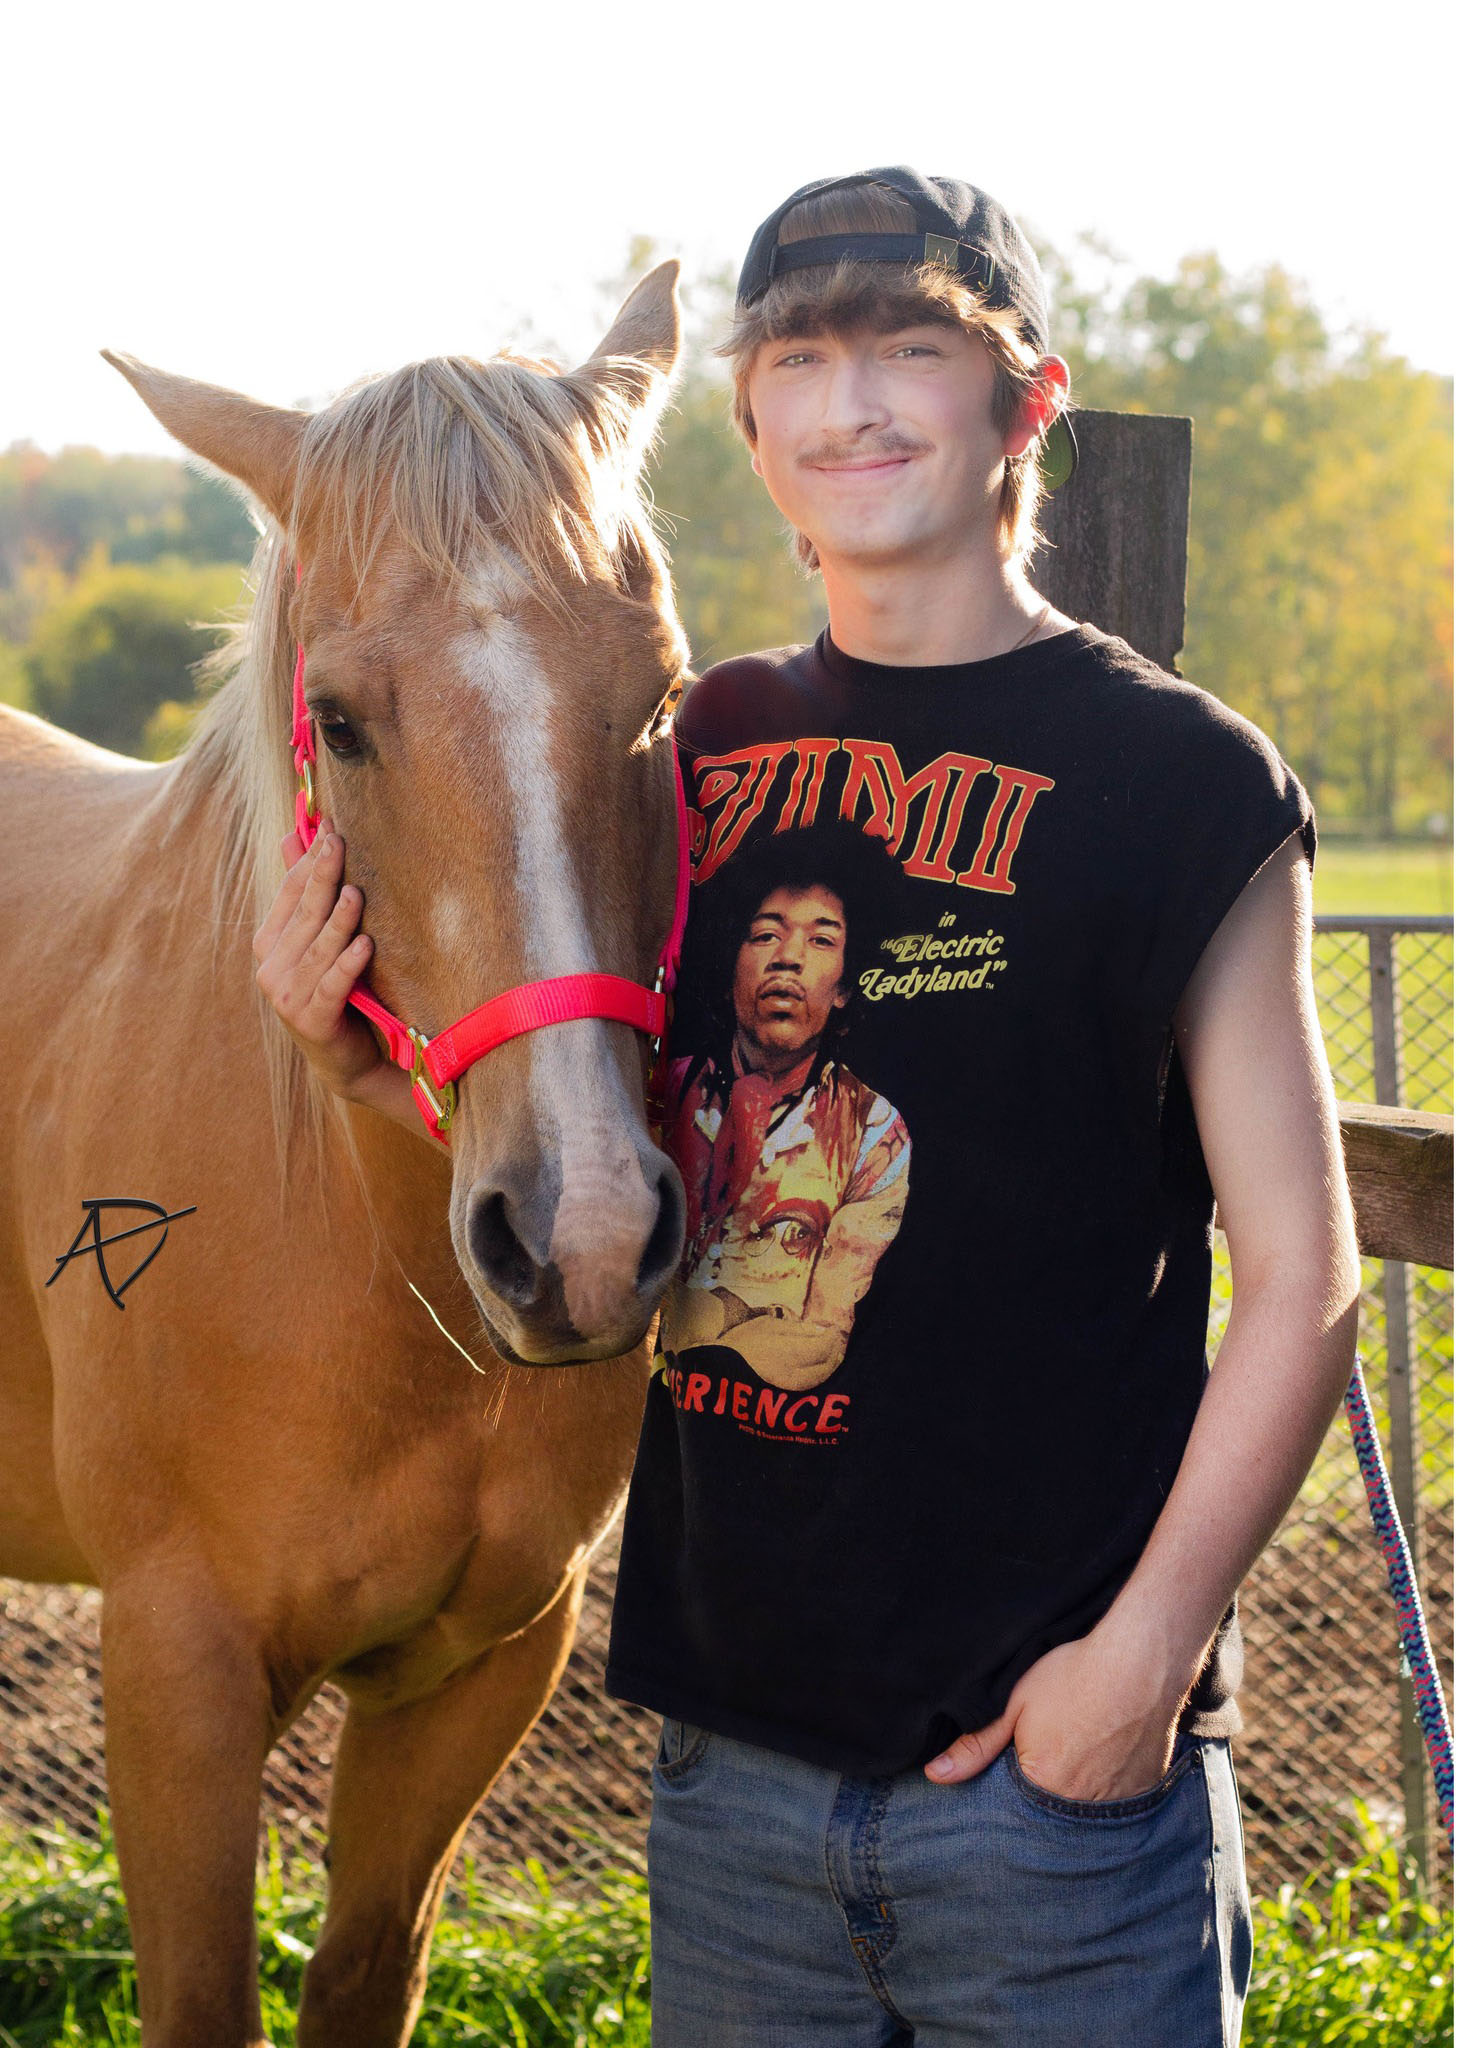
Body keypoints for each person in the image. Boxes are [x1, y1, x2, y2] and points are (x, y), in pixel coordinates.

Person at [255, 168, 1361, 2047]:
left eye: (911, 350)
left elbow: (1308, 1271)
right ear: (748, 426)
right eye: (802, 360)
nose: (852, 403)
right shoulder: (689, 757)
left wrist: (1142, 1659)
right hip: (735, 1785)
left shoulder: (1176, 776)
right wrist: (367, 1053)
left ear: (1026, 399)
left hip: (1053, 1790)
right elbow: (629, 1147)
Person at [661, 824, 912, 1395]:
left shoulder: (875, 1131)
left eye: (822, 941)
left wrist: (714, 1316)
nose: (788, 960)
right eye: (765, 935)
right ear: (732, 967)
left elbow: (821, 1337)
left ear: (845, 986)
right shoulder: (663, 1093)